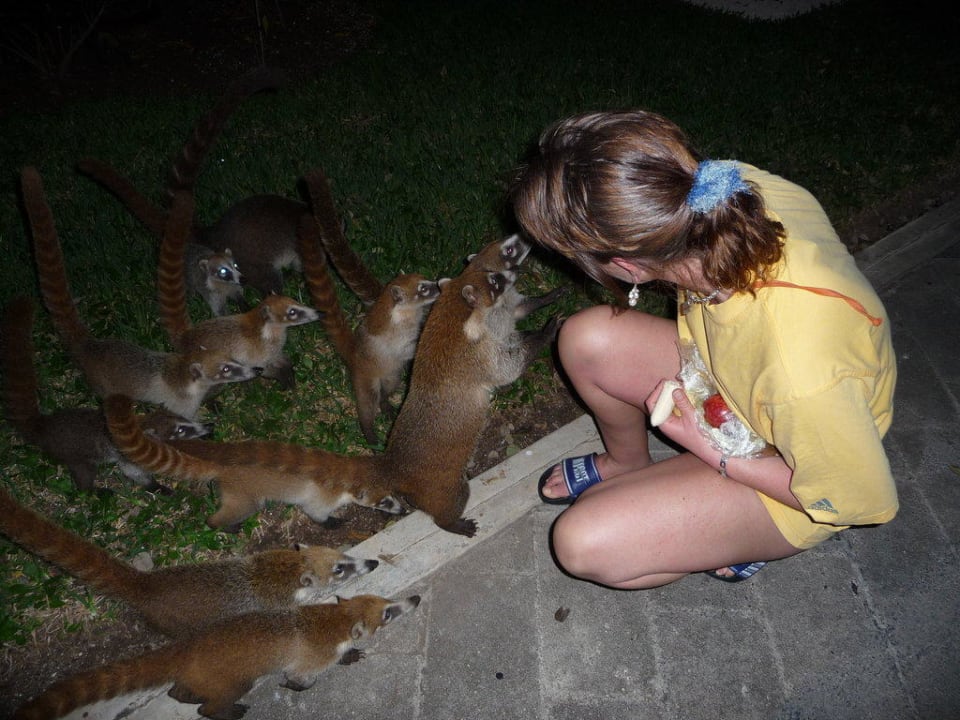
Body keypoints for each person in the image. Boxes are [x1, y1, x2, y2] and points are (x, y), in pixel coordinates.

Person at [509, 110, 898, 587]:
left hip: (806, 454)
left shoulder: (800, 369)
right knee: (586, 338)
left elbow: (859, 500)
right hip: (748, 382)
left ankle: (744, 537)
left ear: (628, 268)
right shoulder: (723, 192)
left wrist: (711, 452)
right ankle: (630, 466)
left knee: (582, 544)